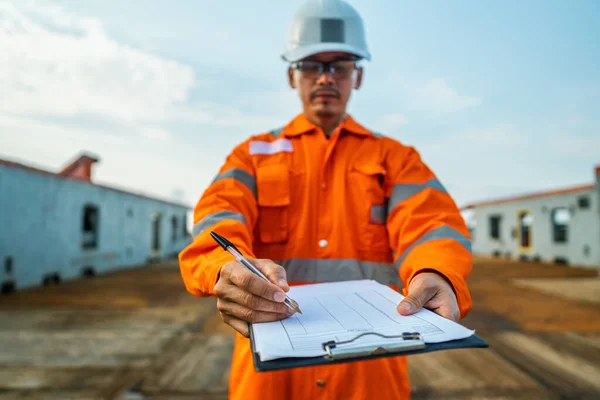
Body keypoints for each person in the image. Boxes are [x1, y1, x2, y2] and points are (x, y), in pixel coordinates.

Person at [179, 0, 473, 399]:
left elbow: (431, 224)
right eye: (313, 65)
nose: (326, 78)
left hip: (370, 374)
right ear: (292, 75)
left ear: (359, 76)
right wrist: (223, 269)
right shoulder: (251, 155)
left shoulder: (396, 160)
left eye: (340, 66)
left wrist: (437, 272)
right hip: (270, 376)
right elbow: (218, 218)